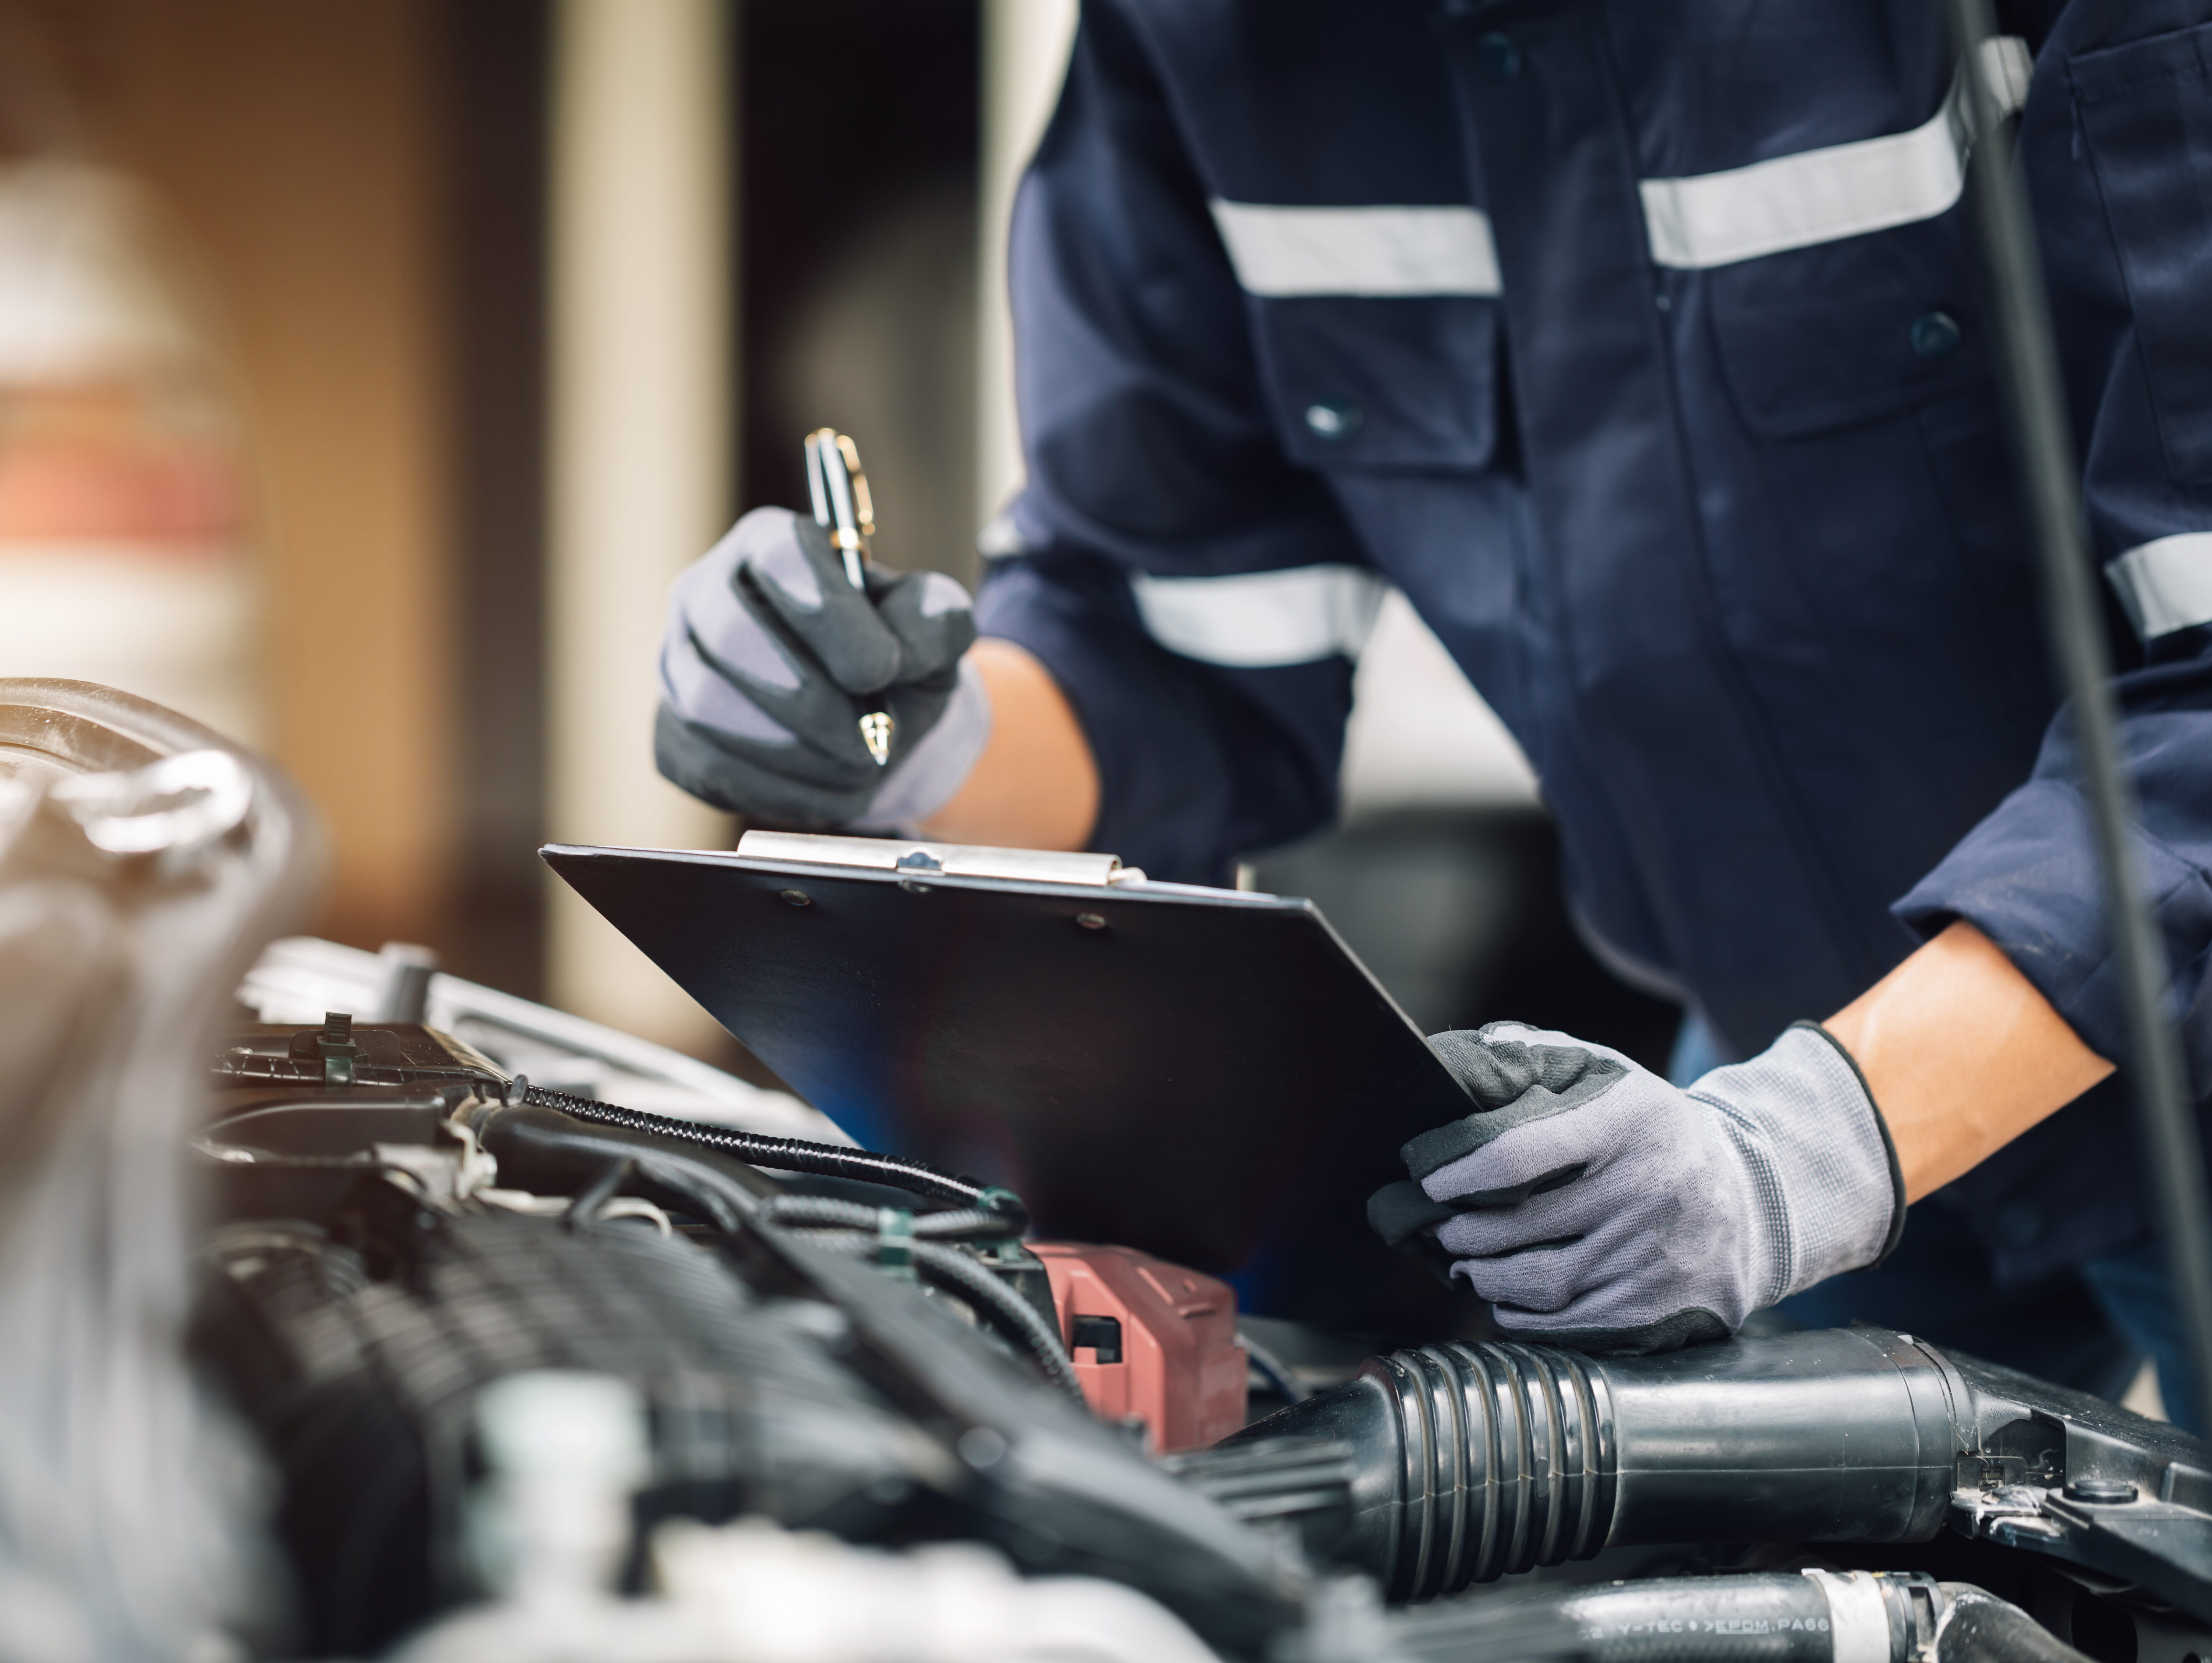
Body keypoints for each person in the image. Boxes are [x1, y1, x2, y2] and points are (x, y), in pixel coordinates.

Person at [654, 3, 2212, 1422]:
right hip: (1775, 1053)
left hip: (2052, 1066)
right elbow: (1158, 646)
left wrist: (1807, 1149)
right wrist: (902, 745)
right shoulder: (1204, 49)